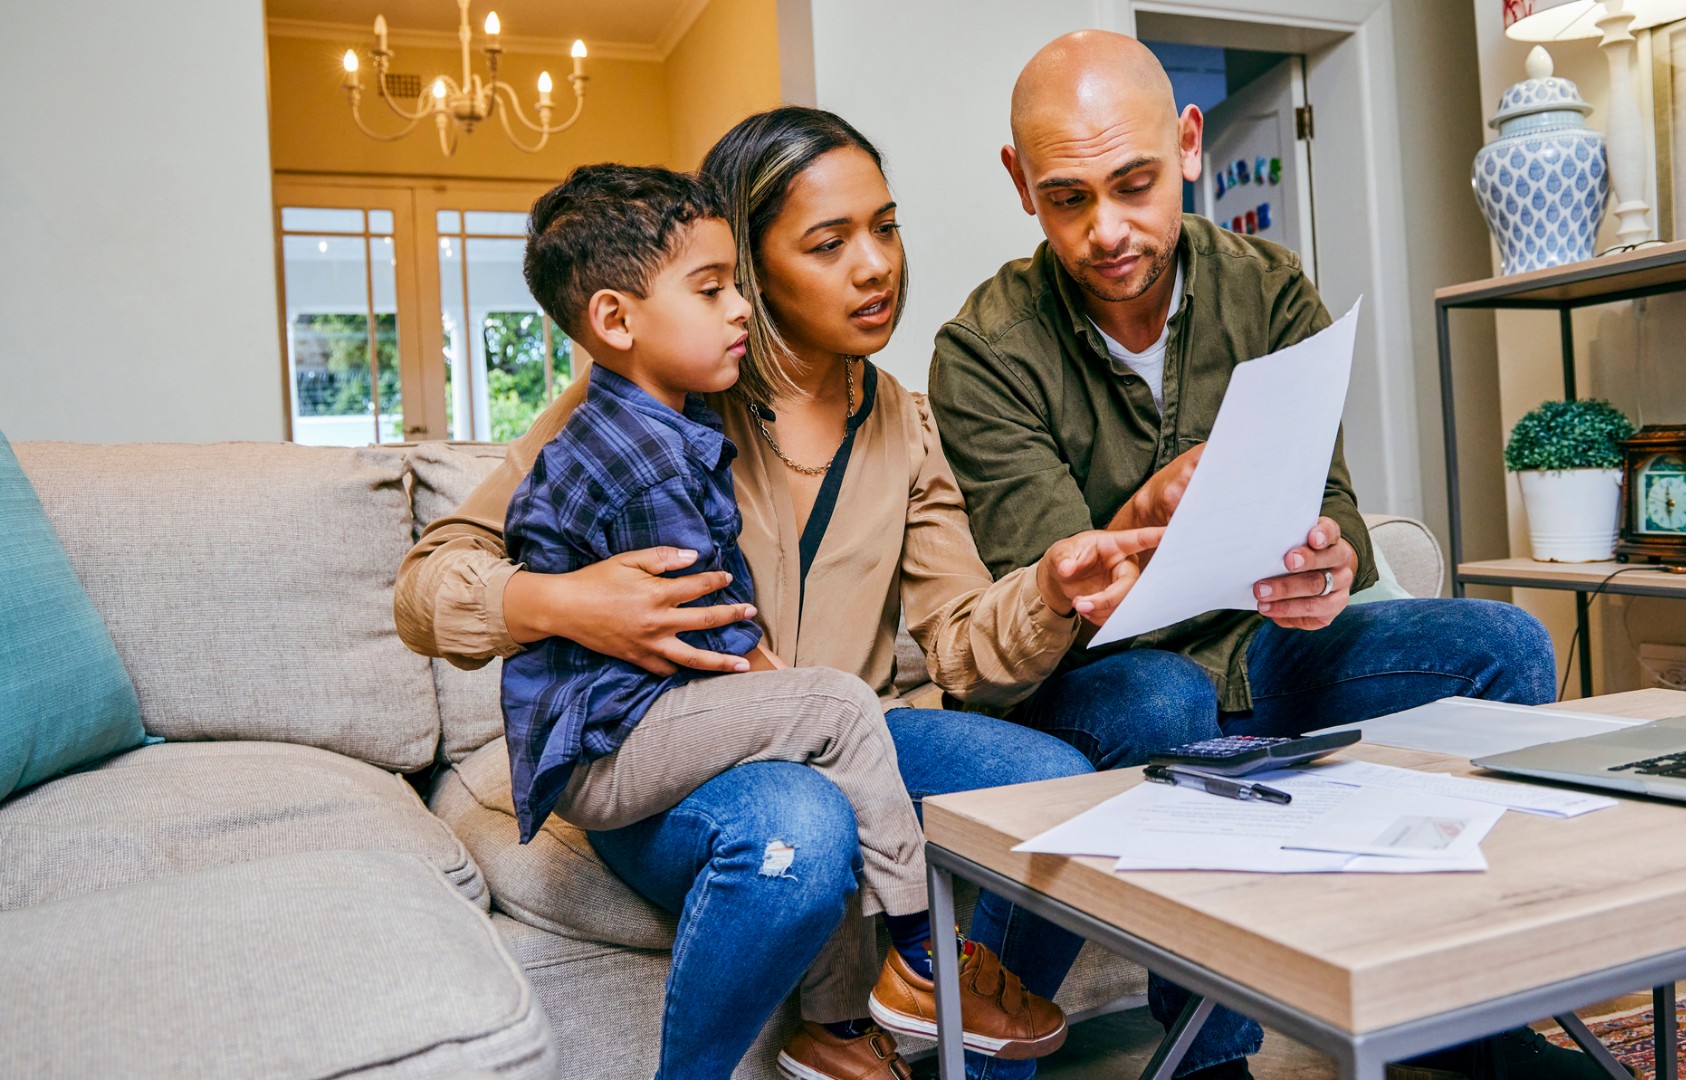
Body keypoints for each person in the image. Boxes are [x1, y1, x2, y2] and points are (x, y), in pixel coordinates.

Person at [395, 109, 1160, 1080]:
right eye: (830, 243)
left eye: (885, 228)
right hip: (676, 750)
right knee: (801, 821)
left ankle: (954, 1016)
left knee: (1054, 786)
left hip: (846, 726)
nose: (876, 265)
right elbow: (427, 586)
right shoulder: (652, 394)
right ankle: (849, 1011)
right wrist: (563, 603)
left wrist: (1053, 590)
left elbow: (965, 644)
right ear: (750, 268)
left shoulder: (908, 428)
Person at [926, 30, 1596, 1080]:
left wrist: (1332, 558)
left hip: (1263, 655)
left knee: (1502, 644)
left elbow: (1331, 498)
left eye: (1135, 183)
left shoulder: (1270, 285)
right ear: (1020, 185)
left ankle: (1467, 1014)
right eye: (1068, 198)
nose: (1107, 230)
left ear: (1189, 145)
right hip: (1112, 684)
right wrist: (1145, 508)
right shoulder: (982, 349)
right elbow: (1046, 588)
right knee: (1161, 703)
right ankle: (1206, 1059)